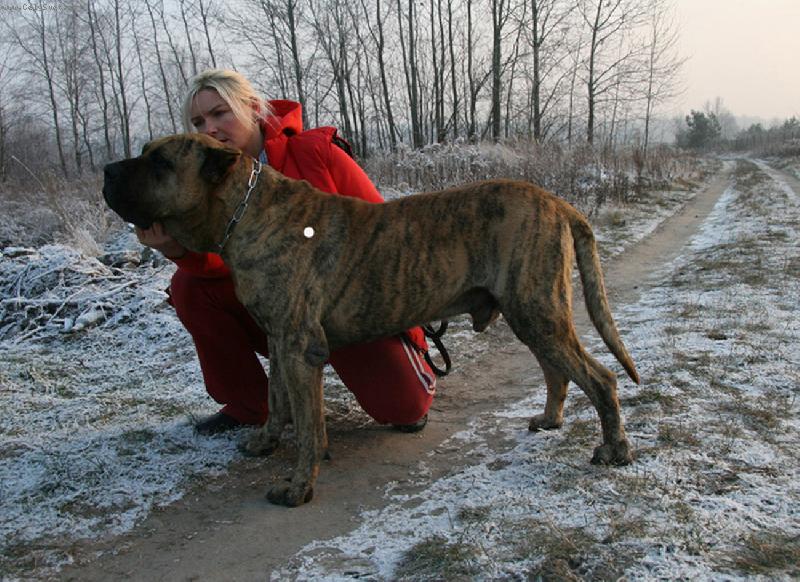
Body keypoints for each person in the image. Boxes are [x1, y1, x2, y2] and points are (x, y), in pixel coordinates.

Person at [135, 69, 436, 435]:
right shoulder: (205, 184)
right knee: (189, 286)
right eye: (198, 122)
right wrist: (176, 250)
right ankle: (252, 406)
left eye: (219, 113)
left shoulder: (314, 152)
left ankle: (410, 368)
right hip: (275, 312)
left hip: (344, 308)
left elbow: (386, 231)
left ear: (252, 108)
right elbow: (223, 265)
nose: (209, 129)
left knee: (404, 409)